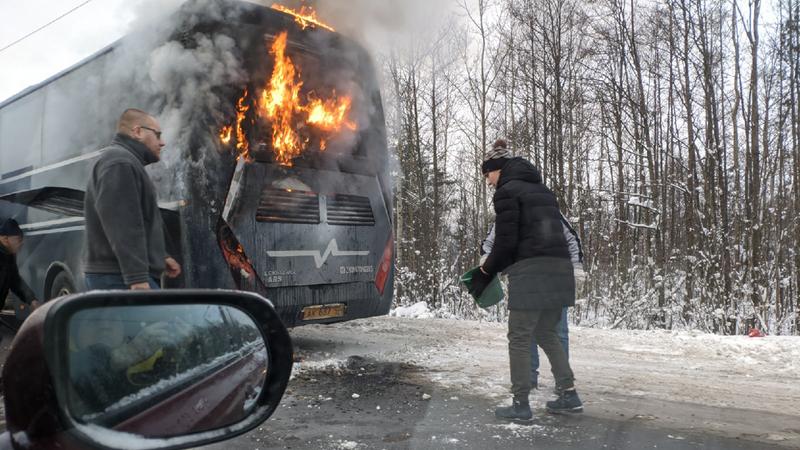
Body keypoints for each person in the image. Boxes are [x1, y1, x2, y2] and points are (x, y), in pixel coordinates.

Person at [470, 139, 582, 419]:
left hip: (531, 272)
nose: (487, 181)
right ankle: (569, 394)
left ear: (498, 169)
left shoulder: (507, 191)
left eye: (487, 174)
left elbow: (506, 241)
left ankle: (520, 404)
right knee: (546, 332)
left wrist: (485, 272)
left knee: (519, 337)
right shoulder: (542, 191)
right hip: (559, 270)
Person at [481, 214, 586, 390]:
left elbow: (572, 240)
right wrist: (488, 263)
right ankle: (531, 380)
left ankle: (562, 385)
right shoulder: (509, 215)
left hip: (555, 281)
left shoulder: (550, 211)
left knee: (554, 332)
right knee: (529, 334)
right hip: (526, 282)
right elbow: (490, 244)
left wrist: (576, 268)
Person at [83, 109, 181, 290]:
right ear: (137, 132)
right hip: (119, 279)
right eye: (157, 134)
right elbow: (123, 224)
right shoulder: (120, 163)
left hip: (120, 276)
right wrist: (137, 277)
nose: (162, 142)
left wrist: (159, 257)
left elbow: (140, 221)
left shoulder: (124, 161)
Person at [0, 219, 40, 312]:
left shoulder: (8, 256)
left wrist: (31, 300)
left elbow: (15, 281)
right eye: (18, 239)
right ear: (5, 239)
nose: (22, 243)